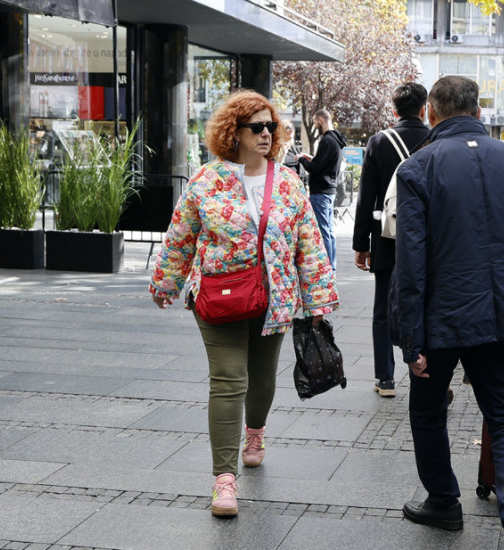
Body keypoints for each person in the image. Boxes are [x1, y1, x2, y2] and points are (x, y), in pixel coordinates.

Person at [149, 90, 338, 517]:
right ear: (234, 132)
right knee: (228, 380)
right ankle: (224, 480)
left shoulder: (287, 182)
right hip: (218, 296)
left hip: (274, 298)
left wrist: (318, 300)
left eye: (272, 125)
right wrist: (166, 282)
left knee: (262, 379)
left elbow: (308, 244)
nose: (267, 133)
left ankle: (255, 431)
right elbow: (181, 236)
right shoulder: (206, 180)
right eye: (257, 127)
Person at [394, 76, 504, 550]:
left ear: (430, 113)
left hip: (441, 313)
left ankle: (444, 501)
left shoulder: (418, 167)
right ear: (479, 112)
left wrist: (410, 338)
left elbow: (411, 260)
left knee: (428, 409)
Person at [352, 82, 430, 398]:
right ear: (424, 109)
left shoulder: (379, 142)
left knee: (383, 307)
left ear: (394, 111)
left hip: (387, 238)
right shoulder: (435, 140)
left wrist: (361, 245)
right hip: (426, 239)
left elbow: (365, 197)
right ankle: (425, 373)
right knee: (426, 305)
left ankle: (385, 379)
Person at [297, 109, 347, 269]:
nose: (314, 125)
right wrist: (311, 159)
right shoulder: (336, 141)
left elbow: (315, 168)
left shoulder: (326, 141)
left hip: (320, 191)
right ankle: (331, 264)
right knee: (329, 230)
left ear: (320, 120)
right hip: (329, 190)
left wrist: (301, 160)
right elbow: (324, 164)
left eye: (314, 122)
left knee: (323, 230)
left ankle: (328, 266)